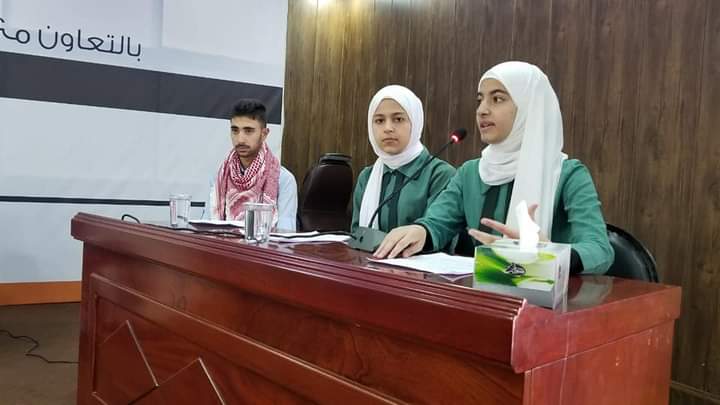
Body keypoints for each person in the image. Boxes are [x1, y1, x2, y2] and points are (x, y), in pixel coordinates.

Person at [374, 62, 614, 275]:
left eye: (497, 99)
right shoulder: (470, 173)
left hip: (546, 302)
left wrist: (550, 254)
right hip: (483, 295)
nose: (482, 110)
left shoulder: (567, 174)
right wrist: (420, 230)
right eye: (480, 100)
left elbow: (599, 250)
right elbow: (438, 222)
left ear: (529, 106)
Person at [351, 85, 456, 240]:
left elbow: (440, 235)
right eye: (379, 120)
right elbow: (356, 235)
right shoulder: (367, 177)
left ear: (415, 122)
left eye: (398, 119)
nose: (388, 128)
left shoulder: (439, 174)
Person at [204, 99, 298, 231]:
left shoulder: (283, 180)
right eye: (235, 130)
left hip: (266, 245)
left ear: (264, 134)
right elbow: (206, 228)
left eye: (248, 131)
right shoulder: (219, 177)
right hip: (221, 244)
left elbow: (285, 235)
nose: (240, 139)